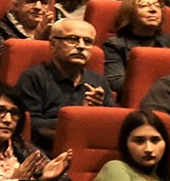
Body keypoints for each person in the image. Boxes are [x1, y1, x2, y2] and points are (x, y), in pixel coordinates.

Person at [14, 18, 112, 149]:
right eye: (72, 39)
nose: (81, 46)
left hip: (86, 149)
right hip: (45, 150)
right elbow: (28, 124)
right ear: (53, 44)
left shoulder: (98, 81)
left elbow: (113, 126)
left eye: (88, 41)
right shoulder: (33, 77)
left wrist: (98, 112)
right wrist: (78, 118)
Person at [101, 0, 170, 95]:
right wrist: (164, 65)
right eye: (143, 6)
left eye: (157, 5)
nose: (153, 10)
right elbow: (116, 83)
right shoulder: (115, 45)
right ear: (129, 13)